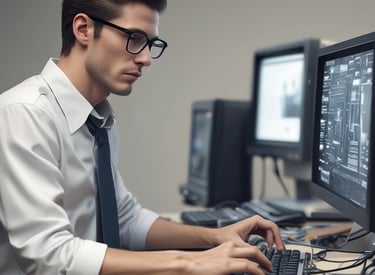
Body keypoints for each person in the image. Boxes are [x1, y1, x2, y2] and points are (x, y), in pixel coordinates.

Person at [0, 0, 284, 274]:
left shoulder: (98, 120)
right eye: (134, 38)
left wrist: (214, 237)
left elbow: (125, 220)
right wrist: (190, 264)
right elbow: (49, 257)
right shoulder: (24, 115)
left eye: (150, 44)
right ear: (83, 29)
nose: (146, 58)